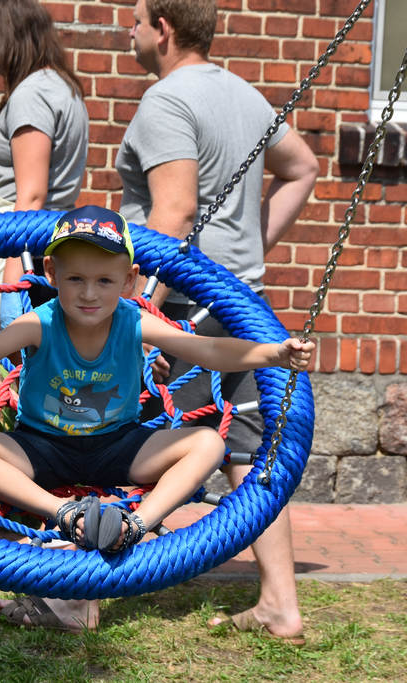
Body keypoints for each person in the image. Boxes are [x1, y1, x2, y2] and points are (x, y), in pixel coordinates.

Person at [0, 206, 315, 631]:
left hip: (119, 446)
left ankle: (135, 526)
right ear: (51, 272)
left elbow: (206, 349)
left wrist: (273, 354)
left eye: (104, 281)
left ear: (129, 280)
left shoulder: (135, 321)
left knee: (208, 443)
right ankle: (61, 512)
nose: (89, 293)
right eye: (75, 278)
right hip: (41, 447)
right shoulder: (39, 323)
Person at [115, 0, 319, 643]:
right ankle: (281, 606)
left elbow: (172, 213)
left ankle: (81, 593)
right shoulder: (245, 94)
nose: (130, 29)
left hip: (182, 304)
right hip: (242, 302)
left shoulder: (166, 100)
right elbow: (303, 167)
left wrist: (131, 304)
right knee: (253, 452)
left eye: (137, 18)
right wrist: (251, 252)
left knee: (122, 438)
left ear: (163, 30)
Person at [0, 0, 89, 325]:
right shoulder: (62, 87)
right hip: (45, 250)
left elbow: (31, 197)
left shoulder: (33, 94)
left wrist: (11, 290)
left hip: (18, 254)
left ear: (7, 34)